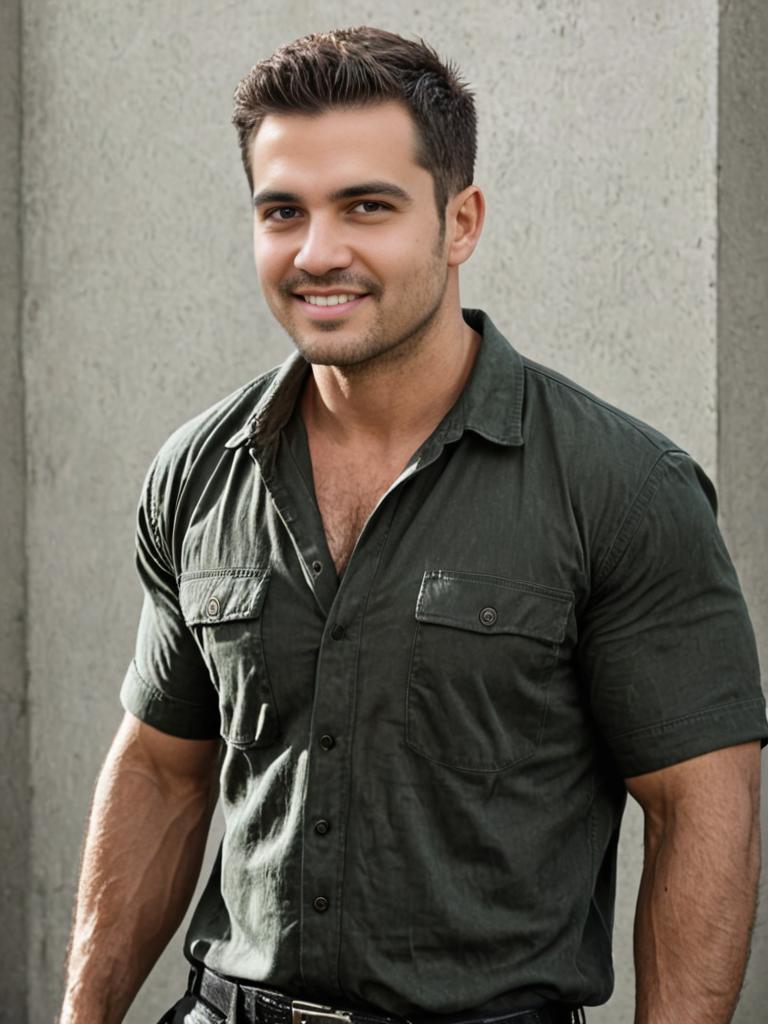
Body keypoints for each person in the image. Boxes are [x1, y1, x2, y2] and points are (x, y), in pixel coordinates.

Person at [60, 26, 766, 1024]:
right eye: (282, 212)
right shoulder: (199, 472)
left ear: (460, 220)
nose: (318, 252)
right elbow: (163, 774)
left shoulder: (623, 487)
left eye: (366, 207)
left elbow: (703, 810)